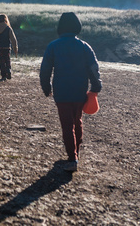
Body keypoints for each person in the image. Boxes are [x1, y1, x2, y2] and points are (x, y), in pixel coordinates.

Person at [39, 12, 102, 172]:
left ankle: (72, 158)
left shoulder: (53, 46)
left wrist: (46, 87)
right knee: (77, 121)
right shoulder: (84, 46)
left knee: (67, 125)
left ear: (60, 27)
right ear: (77, 27)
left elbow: (45, 69)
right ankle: (76, 153)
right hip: (79, 90)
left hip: (61, 91)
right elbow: (93, 68)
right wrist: (96, 86)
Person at [0, 14, 18, 80]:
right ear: (6, 20)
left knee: (1, 62)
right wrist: (15, 49)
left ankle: (3, 75)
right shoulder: (8, 28)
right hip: (7, 48)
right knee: (7, 60)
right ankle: (8, 71)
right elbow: (14, 40)